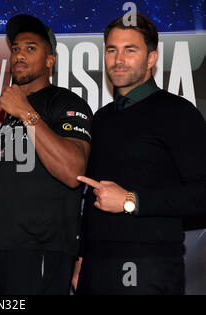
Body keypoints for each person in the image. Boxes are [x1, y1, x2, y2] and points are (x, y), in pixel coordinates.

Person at [74, 13, 206, 295]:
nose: (118, 59)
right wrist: (82, 257)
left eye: (130, 50)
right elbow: (92, 191)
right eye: (112, 50)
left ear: (151, 58)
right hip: (95, 267)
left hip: (149, 266)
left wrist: (132, 201)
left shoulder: (178, 114)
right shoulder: (101, 118)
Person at [0, 14, 93, 295]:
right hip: (3, 249)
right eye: (15, 49)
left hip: (43, 250)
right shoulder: (13, 113)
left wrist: (26, 112)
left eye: (30, 48)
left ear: (49, 61)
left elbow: (73, 171)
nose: (18, 56)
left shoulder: (64, 102)